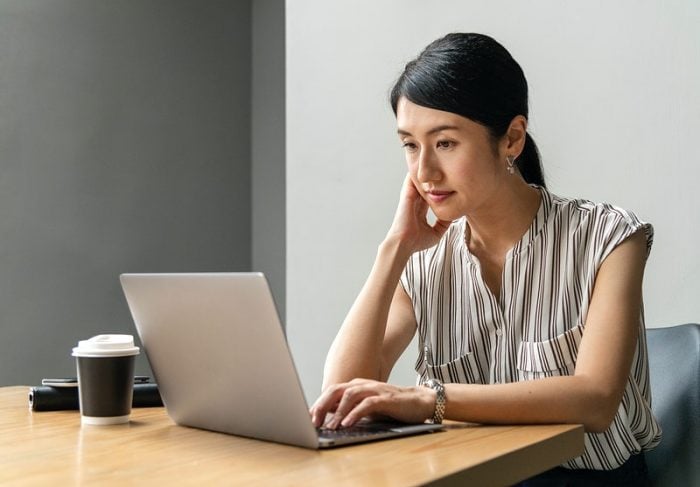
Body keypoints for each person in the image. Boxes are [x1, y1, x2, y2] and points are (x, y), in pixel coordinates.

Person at [308, 33, 661, 485]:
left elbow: (595, 399)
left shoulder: (608, 237)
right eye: (411, 145)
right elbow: (341, 394)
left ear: (511, 138)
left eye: (446, 144)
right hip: (465, 475)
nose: (424, 173)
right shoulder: (423, 262)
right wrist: (393, 250)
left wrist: (429, 399)